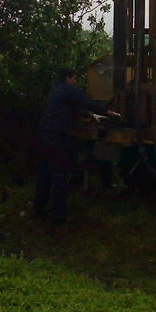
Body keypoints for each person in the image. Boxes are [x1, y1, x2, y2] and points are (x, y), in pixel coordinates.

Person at [32, 68, 119, 225]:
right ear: (68, 78)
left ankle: (38, 209)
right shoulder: (68, 90)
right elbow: (85, 102)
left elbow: (73, 109)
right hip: (56, 136)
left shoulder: (56, 91)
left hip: (44, 134)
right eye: (74, 78)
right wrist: (107, 112)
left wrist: (91, 116)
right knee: (60, 176)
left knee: (45, 173)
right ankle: (59, 217)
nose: (75, 81)